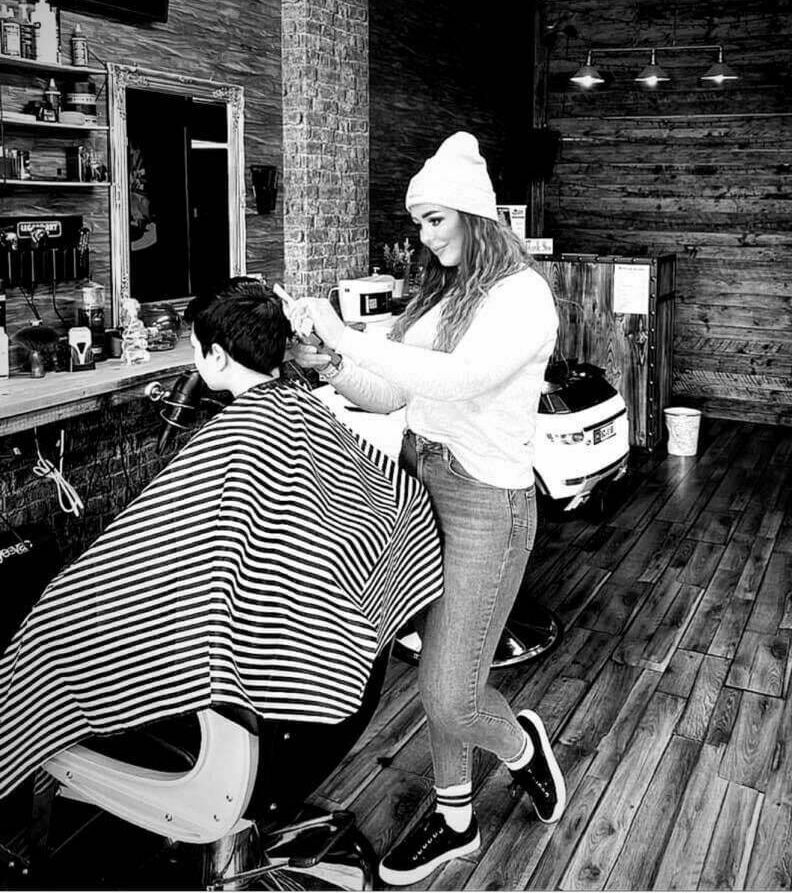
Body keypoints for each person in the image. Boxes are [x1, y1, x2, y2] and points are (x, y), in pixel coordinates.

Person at [0, 278, 444, 803]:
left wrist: (49, 627)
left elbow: (162, 575)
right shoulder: (300, 413)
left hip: (258, 732)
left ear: (215, 356)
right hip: (329, 708)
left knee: (51, 639)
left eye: (195, 347)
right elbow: (405, 505)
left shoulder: (240, 441)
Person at [291, 131, 566, 886]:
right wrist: (335, 362)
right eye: (418, 223)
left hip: (485, 505)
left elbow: (458, 380)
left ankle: (521, 750)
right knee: (440, 674)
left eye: (435, 220)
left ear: (474, 215)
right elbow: (396, 392)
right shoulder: (443, 293)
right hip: (421, 484)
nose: (425, 236)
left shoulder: (522, 297)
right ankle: (455, 823)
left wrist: (347, 333)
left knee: (452, 692)